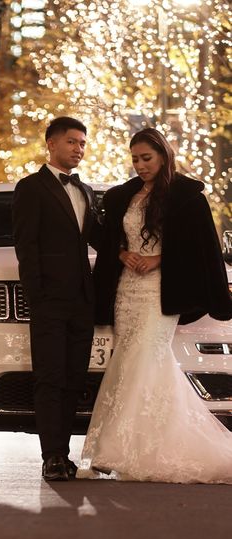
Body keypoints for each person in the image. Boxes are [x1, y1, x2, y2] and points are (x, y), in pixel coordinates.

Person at [79, 127, 232, 484]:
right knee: (129, 361)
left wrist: (159, 258)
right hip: (126, 290)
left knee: (145, 357)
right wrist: (122, 254)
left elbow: (200, 247)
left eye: (146, 158)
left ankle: (115, 451)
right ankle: (128, 447)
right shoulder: (123, 196)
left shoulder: (187, 197)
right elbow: (105, 236)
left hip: (161, 292)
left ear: (163, 155)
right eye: (135, 159)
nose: (140, 165)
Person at [12, 116, 102, 481]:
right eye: (72, 142)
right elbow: (26, 245)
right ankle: (51, 456)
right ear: (51, 144)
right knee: (49, 378)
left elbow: (100, 239)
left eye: (82, 143)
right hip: (49, 299)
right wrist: (37, 296)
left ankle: (64, 455)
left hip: (82, 301)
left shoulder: (86, 191)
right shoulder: (31, 187)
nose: (79, 149)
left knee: (73, 379)